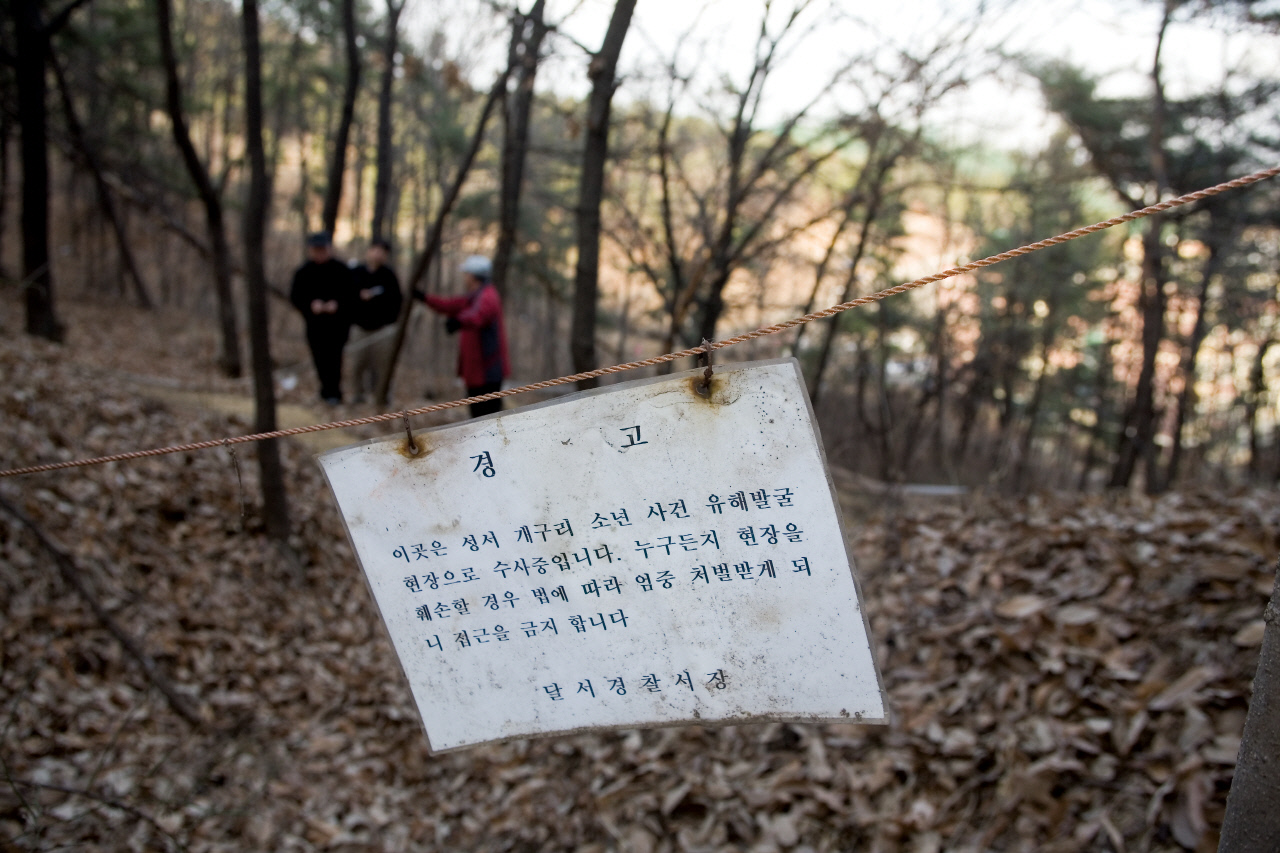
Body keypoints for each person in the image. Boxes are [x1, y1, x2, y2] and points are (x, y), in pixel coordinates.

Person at [418, 255, 510, 418]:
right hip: (475, 374)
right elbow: (450, 305)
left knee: (489, 420)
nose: (464, 277)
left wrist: (459, 321)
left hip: (487, 374)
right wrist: (425, 298)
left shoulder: (488, 295)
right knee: (477, 419)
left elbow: (479, 315)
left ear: (474, 275)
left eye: (466, 273)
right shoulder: (473, 296)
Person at [289, 232, 355, 405]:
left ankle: (334, 392)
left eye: (322, 249)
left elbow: (352, 296)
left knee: (335, 358)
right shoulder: (304, 272)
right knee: (319, 358)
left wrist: (337, 305)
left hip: (337, 326)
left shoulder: (342, 270)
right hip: (315, 325)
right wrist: (311, 305)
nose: (319, 253)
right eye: (316, 250)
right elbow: (295, 297)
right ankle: (325, 390)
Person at [348, 239, 403, 405]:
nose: (378, 254)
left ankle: (381, 397)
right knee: (356, 364)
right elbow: (346, 296)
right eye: (375, 250)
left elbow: (397, 301)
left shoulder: (389, 275)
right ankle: (358, 395)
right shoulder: (356, 272)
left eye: (382, 251)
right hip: (359, 327)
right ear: (369, 251)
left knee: (382, 367)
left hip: (382, 330)